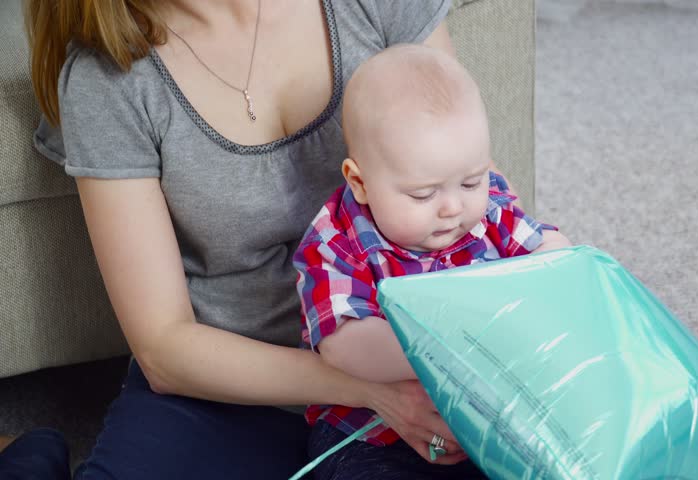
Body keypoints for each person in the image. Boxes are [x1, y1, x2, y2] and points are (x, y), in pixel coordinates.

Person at [0, 0, 479, 478]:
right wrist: (372, 392)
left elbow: (473, 183)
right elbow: (164, 348)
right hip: (230, 385)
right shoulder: (107, 77)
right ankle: (26, 457)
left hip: (406, 357)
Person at [293, 44, 572, 480]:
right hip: (374, 433)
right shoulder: (335, 242)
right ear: (360, 181)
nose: (452, 208)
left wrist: (563, 266)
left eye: (471, 181)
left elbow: (549, 251)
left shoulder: (488, 211)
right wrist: (447, 351)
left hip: (490, 415)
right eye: (423, 194)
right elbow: (343, 344)